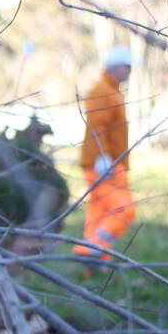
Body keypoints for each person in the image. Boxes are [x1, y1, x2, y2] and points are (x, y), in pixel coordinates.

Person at [74, 45, 136, 272]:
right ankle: (91, 250)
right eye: (127, 67)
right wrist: (102, 157)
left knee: (100, 213)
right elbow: (96, 125)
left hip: (108, 162)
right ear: (115, 67)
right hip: (105, 164)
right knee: (125, 210)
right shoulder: (102, 90)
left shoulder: (112, 90)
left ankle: (94, 261)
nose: (130, 71)